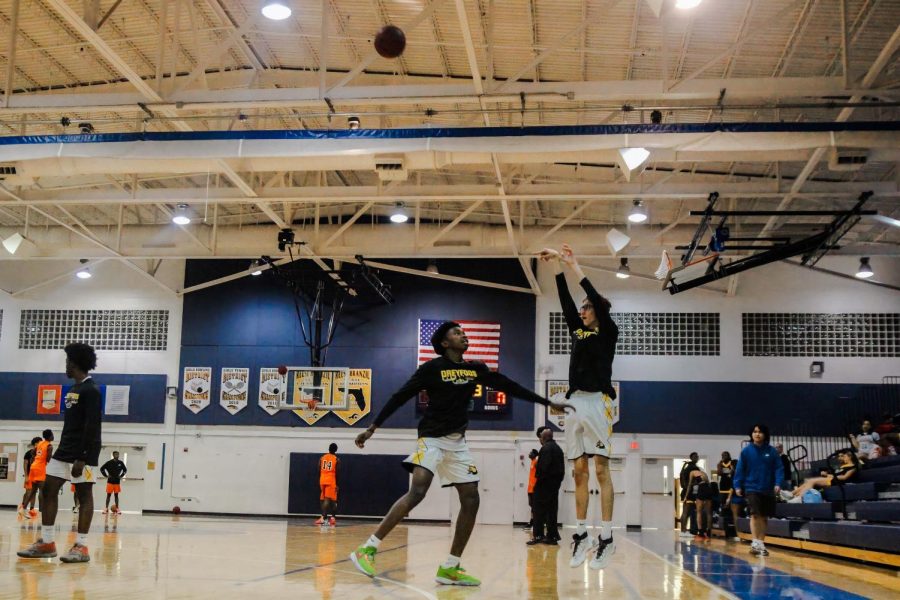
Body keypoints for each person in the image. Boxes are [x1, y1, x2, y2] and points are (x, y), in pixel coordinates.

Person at [349, 321, 572, 586]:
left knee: (471, 499)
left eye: (463, 332)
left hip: (457, 442)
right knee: (418, 490)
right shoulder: (432, 368)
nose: (463, 335)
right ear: (444, 343)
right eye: (457, 333)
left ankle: (450, 567)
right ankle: (369, 548)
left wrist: (548, 402)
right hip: (431, 437)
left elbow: (509, 385)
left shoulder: (474, 369)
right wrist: (373, 427)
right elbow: (400, 396)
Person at [540, 244, 619, 570]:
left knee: (601, 469)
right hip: (574, 403)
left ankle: (607, 538)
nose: (583, 311)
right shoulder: (579, 331)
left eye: (588, 308)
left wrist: (574, 265)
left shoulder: (609, 332)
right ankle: (583, 534)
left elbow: (594, 298)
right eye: (583, 309)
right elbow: (565, 303)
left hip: (598, 403)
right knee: (578, 471)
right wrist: (556, 268)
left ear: (598, 311)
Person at [17, 343, 102, 564]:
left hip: (84, 454)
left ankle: (81, 546)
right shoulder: (73, 390)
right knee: (47, 489)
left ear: (76, 363)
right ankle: (47, 542)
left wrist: (82, 457)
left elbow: (92, 425)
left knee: (84, 495)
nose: (66, 365)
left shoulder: (91, 390)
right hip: (65, 450)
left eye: (68, 362)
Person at [733, 424, 783, 557]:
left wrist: (778, 483)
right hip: (752, 488)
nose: (757, 434)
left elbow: (779, 468)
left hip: (767, 488)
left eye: (760, 432)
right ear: (751, 434)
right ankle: (755, 542)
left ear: (765, 434)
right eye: (755, 432)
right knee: (755, 514)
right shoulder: (746, 451)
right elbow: (740, 470)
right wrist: (737, 485)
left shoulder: (772, 451)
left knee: (764, 516)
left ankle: (761, 542)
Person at [528, 428, 565, 546]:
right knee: (552, 511)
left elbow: (543, 468)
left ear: (543, 438)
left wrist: (539, 481)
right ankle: (552, 536)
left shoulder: (546, 448)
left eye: (540, 438)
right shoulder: (558, 449)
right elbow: (561, 470)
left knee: (538, 510)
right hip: (555, 486)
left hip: (544, 485)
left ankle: (538, 535)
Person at [780, 450, 858, 503]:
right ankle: (792, 494)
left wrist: (829, 475)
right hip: (830, 479)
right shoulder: (842, 466)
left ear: (850, 456)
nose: (842, 458)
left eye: (844, 456)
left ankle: (800, 498)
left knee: (812, 481)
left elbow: (844, 477)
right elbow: (833, 473)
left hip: (836, 481)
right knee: (807, 481)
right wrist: (826, 473)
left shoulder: (853, 467)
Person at [23, 430, 54, 519]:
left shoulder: (40, 443)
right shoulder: (49, 446)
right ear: (50, 436)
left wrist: (34, 462)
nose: (53, 436)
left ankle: (24, 509)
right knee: (42, 490)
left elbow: (33, 453)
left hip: (33, 467)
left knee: (32, 491)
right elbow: (48, 459)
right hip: (40, 468)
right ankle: (42, 511)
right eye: (52, 435)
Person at [525, 426, 548, 531]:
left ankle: (536, 523)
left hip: (535, 488)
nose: (529, 454)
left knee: (536, 507)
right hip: (530, 489)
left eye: (531, 452)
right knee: (532, 506)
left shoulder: (537, 460)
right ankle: (532, 521)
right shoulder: (532, 461)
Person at [717, 451, 740, 533]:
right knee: (723, 506)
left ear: (729, 456)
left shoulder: (732, 463)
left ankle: (734, 527)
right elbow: (719, 473)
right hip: (723, 487)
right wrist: (720, 465)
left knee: (732, 508)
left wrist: (731, 472)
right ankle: (724, 527)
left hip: (731, 486)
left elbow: (733, 472)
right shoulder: (720, 464)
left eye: (725, 455)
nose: (724, 456)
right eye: (722, 455)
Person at [316, 443, 339, 526]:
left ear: (328, 449)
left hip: (322, 479)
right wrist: (337, 484)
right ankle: (327, 518)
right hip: (331, 480)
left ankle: (325, 517)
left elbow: (318, 469)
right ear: (336, 450)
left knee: (323, 499)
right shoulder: (336, 459)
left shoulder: (322, 458)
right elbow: (338, 473)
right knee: (331, 500)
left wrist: (319, 479)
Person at [17, 437, 41, 517]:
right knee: (28, 492)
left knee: (33, 493)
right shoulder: (28, 453)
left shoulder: (40, 453)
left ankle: (31, 510)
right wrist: (26, 476)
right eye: (40, 442)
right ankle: (23, 507)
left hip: (37, 476)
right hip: (29, 476)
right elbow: (25, 464)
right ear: (35, 443)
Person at [678, 452, 700, 538]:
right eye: (695, 456)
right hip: (689, 492)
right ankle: (683, 531)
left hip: (686, 491)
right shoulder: (693, 468)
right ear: (692, 458)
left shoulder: (686, 468)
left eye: (697, 456)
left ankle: (683, 531)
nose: (697, 458)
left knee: (686, 512)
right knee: (686, 512)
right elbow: (697, 480)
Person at [690, 467, 712, 540]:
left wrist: (686, 496)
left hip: (701, 489)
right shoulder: (704, 474)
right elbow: (708, 483)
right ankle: (708, 531)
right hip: (708, 489)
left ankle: (701, 532)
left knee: (699, 512)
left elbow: (690, 484)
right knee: (709, 513)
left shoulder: (692, 472)